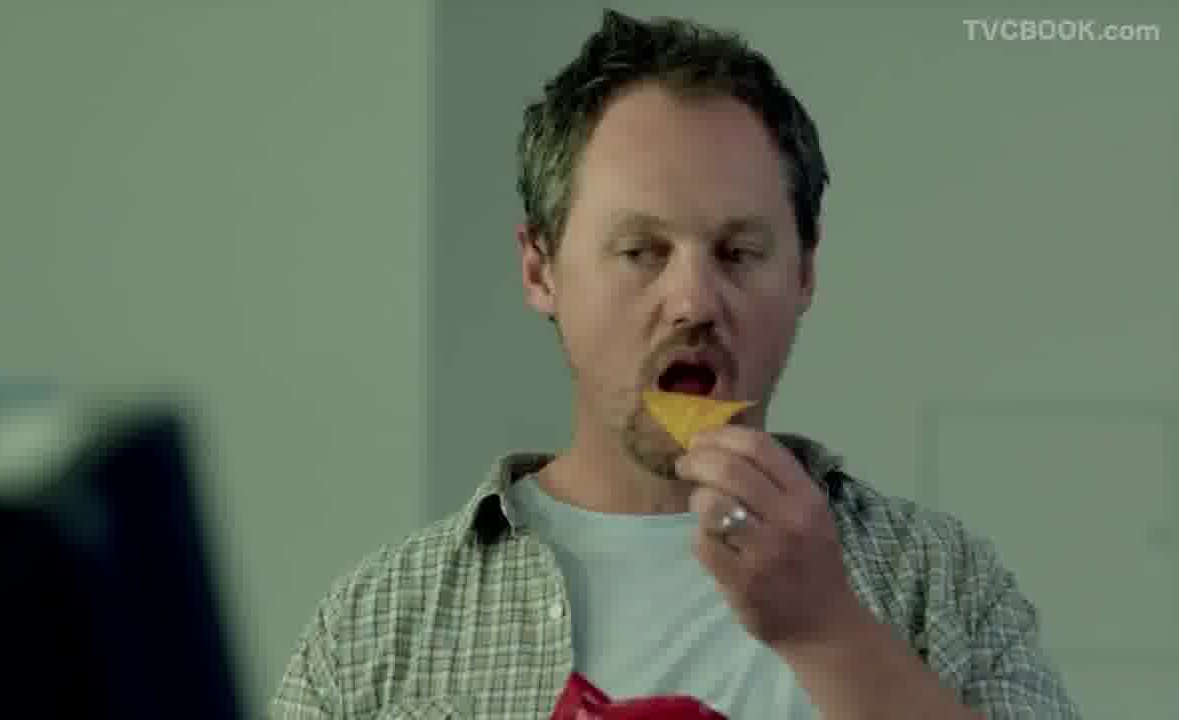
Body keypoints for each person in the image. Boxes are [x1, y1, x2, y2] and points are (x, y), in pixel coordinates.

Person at [271, 9, 1082, 720]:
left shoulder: (942, 584)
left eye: (738, 251)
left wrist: (828, 634)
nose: (693, 301)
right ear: (540, 270)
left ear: (804, 272)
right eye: (641, 251)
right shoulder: (376, 624)